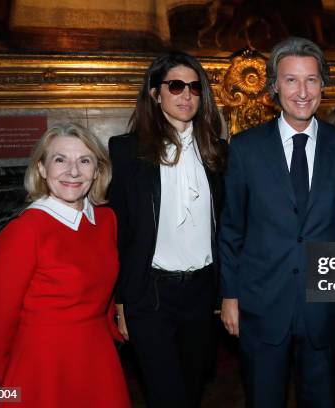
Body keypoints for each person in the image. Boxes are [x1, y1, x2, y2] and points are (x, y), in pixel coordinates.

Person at [219, 37, 335, 407]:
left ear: (323, 86)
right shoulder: (245, 148)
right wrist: (229, 296)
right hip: (262, 304)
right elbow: (232, 228)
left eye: (312, 80)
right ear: (273, 86)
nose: (302, 91)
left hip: (323, 309)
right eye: (291, 80)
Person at [108, 51, 227, 408]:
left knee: (191, 390)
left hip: (202, 293)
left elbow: (228, 225)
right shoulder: (126, 151)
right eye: (176, 86)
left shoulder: (218, 153)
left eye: (194, 87)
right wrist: (121, 300)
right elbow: (121, 230)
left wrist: (226, 293)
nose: (187, 95)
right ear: (155, 94)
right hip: (150, 294)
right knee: (166, 394)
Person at [0, 123, 130, 408]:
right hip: (43, 364)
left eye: (84, 161)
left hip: (98, 357)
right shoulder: (25, 230)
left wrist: (114, 329)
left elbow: (104, 286)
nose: (73, 171)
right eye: (60, 159)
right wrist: (9, 383)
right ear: (41, 168)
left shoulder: (105, 221)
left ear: (98, 171)